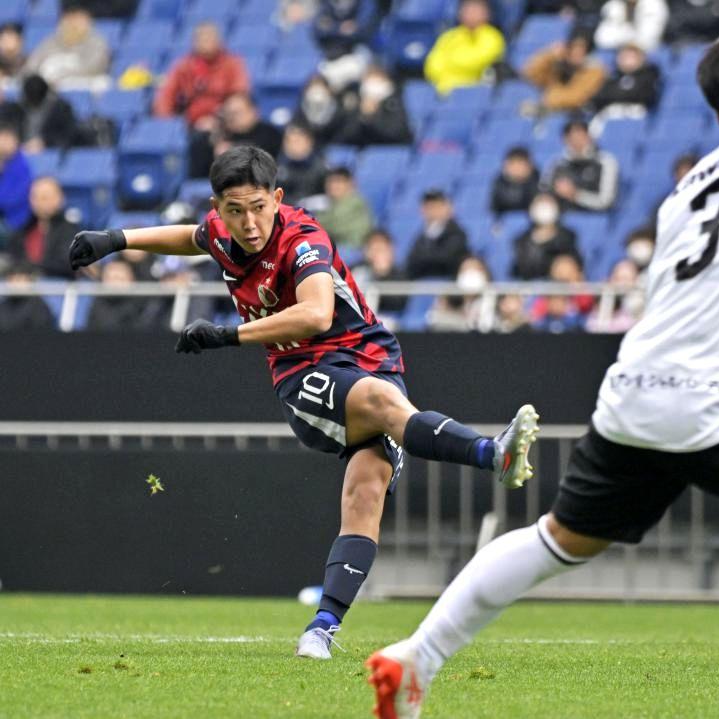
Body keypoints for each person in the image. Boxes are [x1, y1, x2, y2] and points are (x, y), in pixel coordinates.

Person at [365, 21, 719, 719]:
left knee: (559, 536)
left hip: (635, 395)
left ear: (717, 113)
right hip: (713, 402)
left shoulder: (690, 187)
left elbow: (679, 307)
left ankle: (418, 653)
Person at [68, 145, 540, 660]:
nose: (249, 223)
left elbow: (317, 313)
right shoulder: (222, 231)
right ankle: (491, 454)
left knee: (366, 492)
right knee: (381, 405)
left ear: (277, 198)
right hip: (303, 372)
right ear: (218, 207)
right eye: (235, 211)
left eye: (258, 208)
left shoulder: (303, 239)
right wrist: (116, 239)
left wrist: (227, 335)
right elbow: (191, 237)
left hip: (372, 357)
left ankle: (321, 629)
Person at [153, 22, 250, 130]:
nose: (206, 43)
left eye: (210, 38)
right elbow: (166, 95)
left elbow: (239, 95)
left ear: (219, 41)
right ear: (195, 42)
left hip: (226, 121)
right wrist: (167, 123)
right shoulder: (183, 66)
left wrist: (218, 120)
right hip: (191, 123)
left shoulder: (233, 63)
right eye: (202, 39)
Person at [189, 94, 283, 178]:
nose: (232, 117)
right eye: (228, 113)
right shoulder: (219, 134)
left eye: (237, 112)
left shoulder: (269, 133)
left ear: (253, 111)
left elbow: (268, 160)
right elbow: (198, 173)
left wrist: (233, 151)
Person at [423, 0, 506, 95]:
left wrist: (449, 63)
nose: (471, 14)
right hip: (445, 90)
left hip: (479, 92)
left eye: (475, 10)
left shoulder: (493, 37)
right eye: (467, 10)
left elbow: (476, 62)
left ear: (486, 13)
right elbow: (431, 65)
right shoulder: (449, 36)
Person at [10, 176, 80, 279]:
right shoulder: (23, 230)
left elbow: (66, 264)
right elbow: (12, 259)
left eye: (45, 197)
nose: (39, 202)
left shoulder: (70, 232)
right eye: (35, 197)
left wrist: (32, 270)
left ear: (60, 199)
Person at [23, 7, 110, 89]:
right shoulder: (51, 42)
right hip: (50, 87)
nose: (73, 24)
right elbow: (31, 68)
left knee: (102, 83)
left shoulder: (96, 42)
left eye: (78, 19)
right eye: (69, 18)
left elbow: (94, 67)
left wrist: (62, 74)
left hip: (83, 84)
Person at [544, 119, 619, 212]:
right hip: (560, 215)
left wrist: (576, 195)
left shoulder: (606, 162)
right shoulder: (557, 164)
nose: (577, 141)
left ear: (589, 136)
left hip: (594, 216)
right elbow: (544, 191)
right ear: (565, 139)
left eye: (581, 135)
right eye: (572, 137)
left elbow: (606, 201)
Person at [522, 34, 607, 114]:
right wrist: (549, 55)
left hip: (575, 113)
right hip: (551, 109)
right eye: (572, 49)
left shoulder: (594, 71)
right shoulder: (560, 66)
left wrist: (550, 97)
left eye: (582, 51)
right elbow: (530, 73)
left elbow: (576, 97)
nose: (576, 54)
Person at [334, 66, 413, 147]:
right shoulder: (355, 102)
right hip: (360, 149)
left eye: (377, 82)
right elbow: (343, 136)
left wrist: (374, 116)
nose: (373, 88)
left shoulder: (395, 102)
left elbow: (397, 134)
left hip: (389, 150)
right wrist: (363, 116)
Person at [0, 74, 80, 152]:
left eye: (36, 100)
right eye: (31, 99)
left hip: (50, 152)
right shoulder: (14, 109)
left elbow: (69, 134)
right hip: (18, 151)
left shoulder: (61, 110)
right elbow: (6, 130)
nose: (33, 103)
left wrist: (45, 142)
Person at [512, 192, 581, 279]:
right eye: (540, 202)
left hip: (561, 282)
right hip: (532, 283)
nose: (544, 207)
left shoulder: (568, 236)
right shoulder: (522, 240)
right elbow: (521, 268)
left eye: (548, 202)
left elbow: (575, 262)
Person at [86, 257, 166, 330]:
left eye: (120, 278)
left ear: (132, 279)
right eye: (111, 278)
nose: (115, 284)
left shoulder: (144, 304)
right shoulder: (97, 304)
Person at [405, 190, 470, 279]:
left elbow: (445, 259)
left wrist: (424, 259)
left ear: (447, 208)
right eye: (428, 207)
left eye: (436, 206)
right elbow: (411, 262)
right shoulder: (422, 236)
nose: (432, 212)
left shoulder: (458, 234)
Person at [589, 43, 661, 118]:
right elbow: (599, 98)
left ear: (641, 58)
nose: (627, 61)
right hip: (611, 117)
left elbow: (645, 96)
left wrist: (618, 95)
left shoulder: (649, 76)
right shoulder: (612, 78)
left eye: (631, 57)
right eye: (624, 57)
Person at [315, 166, 374, 249]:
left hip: (354, 249)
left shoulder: (354, 203)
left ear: (350, 184)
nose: (333, 186)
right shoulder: (329, 205)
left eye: (338, 182)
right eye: (330, 182)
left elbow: (334, 225)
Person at [353, 228, 408, 314]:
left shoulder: (400, 274)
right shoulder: (357, 269)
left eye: (381, 249)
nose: (378, 253)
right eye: (374, 248)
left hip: (387, 317)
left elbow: (398, 303)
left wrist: (382, 275)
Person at [277, 122, 328, 202]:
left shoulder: (321, 169)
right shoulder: (277, 167)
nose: (292, 145)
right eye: (288, 141)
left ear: (309, 142)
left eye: (297, 141)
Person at [594, 0, 669, 52]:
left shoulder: (654, 4)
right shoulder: (613, 5)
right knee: (601, 56)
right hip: (618, 49)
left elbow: (650, 36)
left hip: (648, 50)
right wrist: (626, 44)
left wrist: (630, 44)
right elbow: (602, 38)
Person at [0, 263, 56, 330]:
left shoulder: (38, 306)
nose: (16, 284)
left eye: (20, 280)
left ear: (29, 281)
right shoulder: (3, 305)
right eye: (12, 280)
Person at [0, 122, 31, 242]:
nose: (3, 144)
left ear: (15, 141)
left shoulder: (22, 165)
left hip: (15, 220)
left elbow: (13, 199)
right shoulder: (3, 162)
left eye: (7, 139)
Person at [294, 75, 345, 147]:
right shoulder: (300, 111)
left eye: (320, 87)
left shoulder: (339, 112)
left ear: (329, 90)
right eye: (313, 87)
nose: (316, 91)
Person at [490, 146, 540, 215]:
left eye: (520, 163)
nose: (516, 168)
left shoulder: (540, 184)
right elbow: (493, 210)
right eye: (513, 163)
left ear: (529, 165)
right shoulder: (499, 184)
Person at [0, 23, 26, 88]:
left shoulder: (29, 62)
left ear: (20, 41)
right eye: (5, 39)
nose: (8, 42)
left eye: (11, 37)